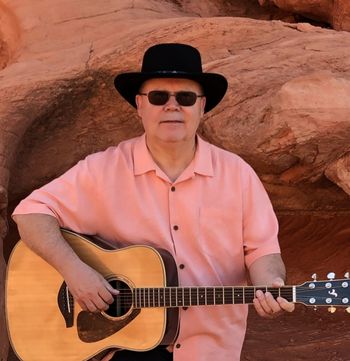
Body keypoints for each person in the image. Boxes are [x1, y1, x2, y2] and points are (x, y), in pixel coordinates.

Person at [12, 43, 295, 361]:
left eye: (185, 98)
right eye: (158, 97)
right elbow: (30, 213)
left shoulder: (238, 175)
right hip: (123, 348)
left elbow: (262, 251)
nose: (172, 107)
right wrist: (75, 272)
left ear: (201, 107)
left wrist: (271, 284)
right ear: (139, 105)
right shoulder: (104, 170)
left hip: (210, 349)